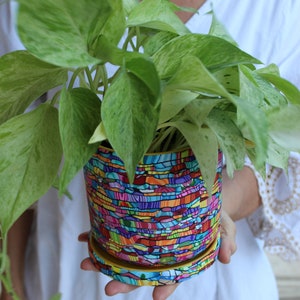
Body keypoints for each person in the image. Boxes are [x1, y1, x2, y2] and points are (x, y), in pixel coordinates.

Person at [1, 0, 300, 299]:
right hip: (61, 269)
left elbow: (283, 156)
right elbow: (12, 159)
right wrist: (9, 288)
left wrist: (213, 206)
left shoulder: (281, 8)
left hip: (214, 279)